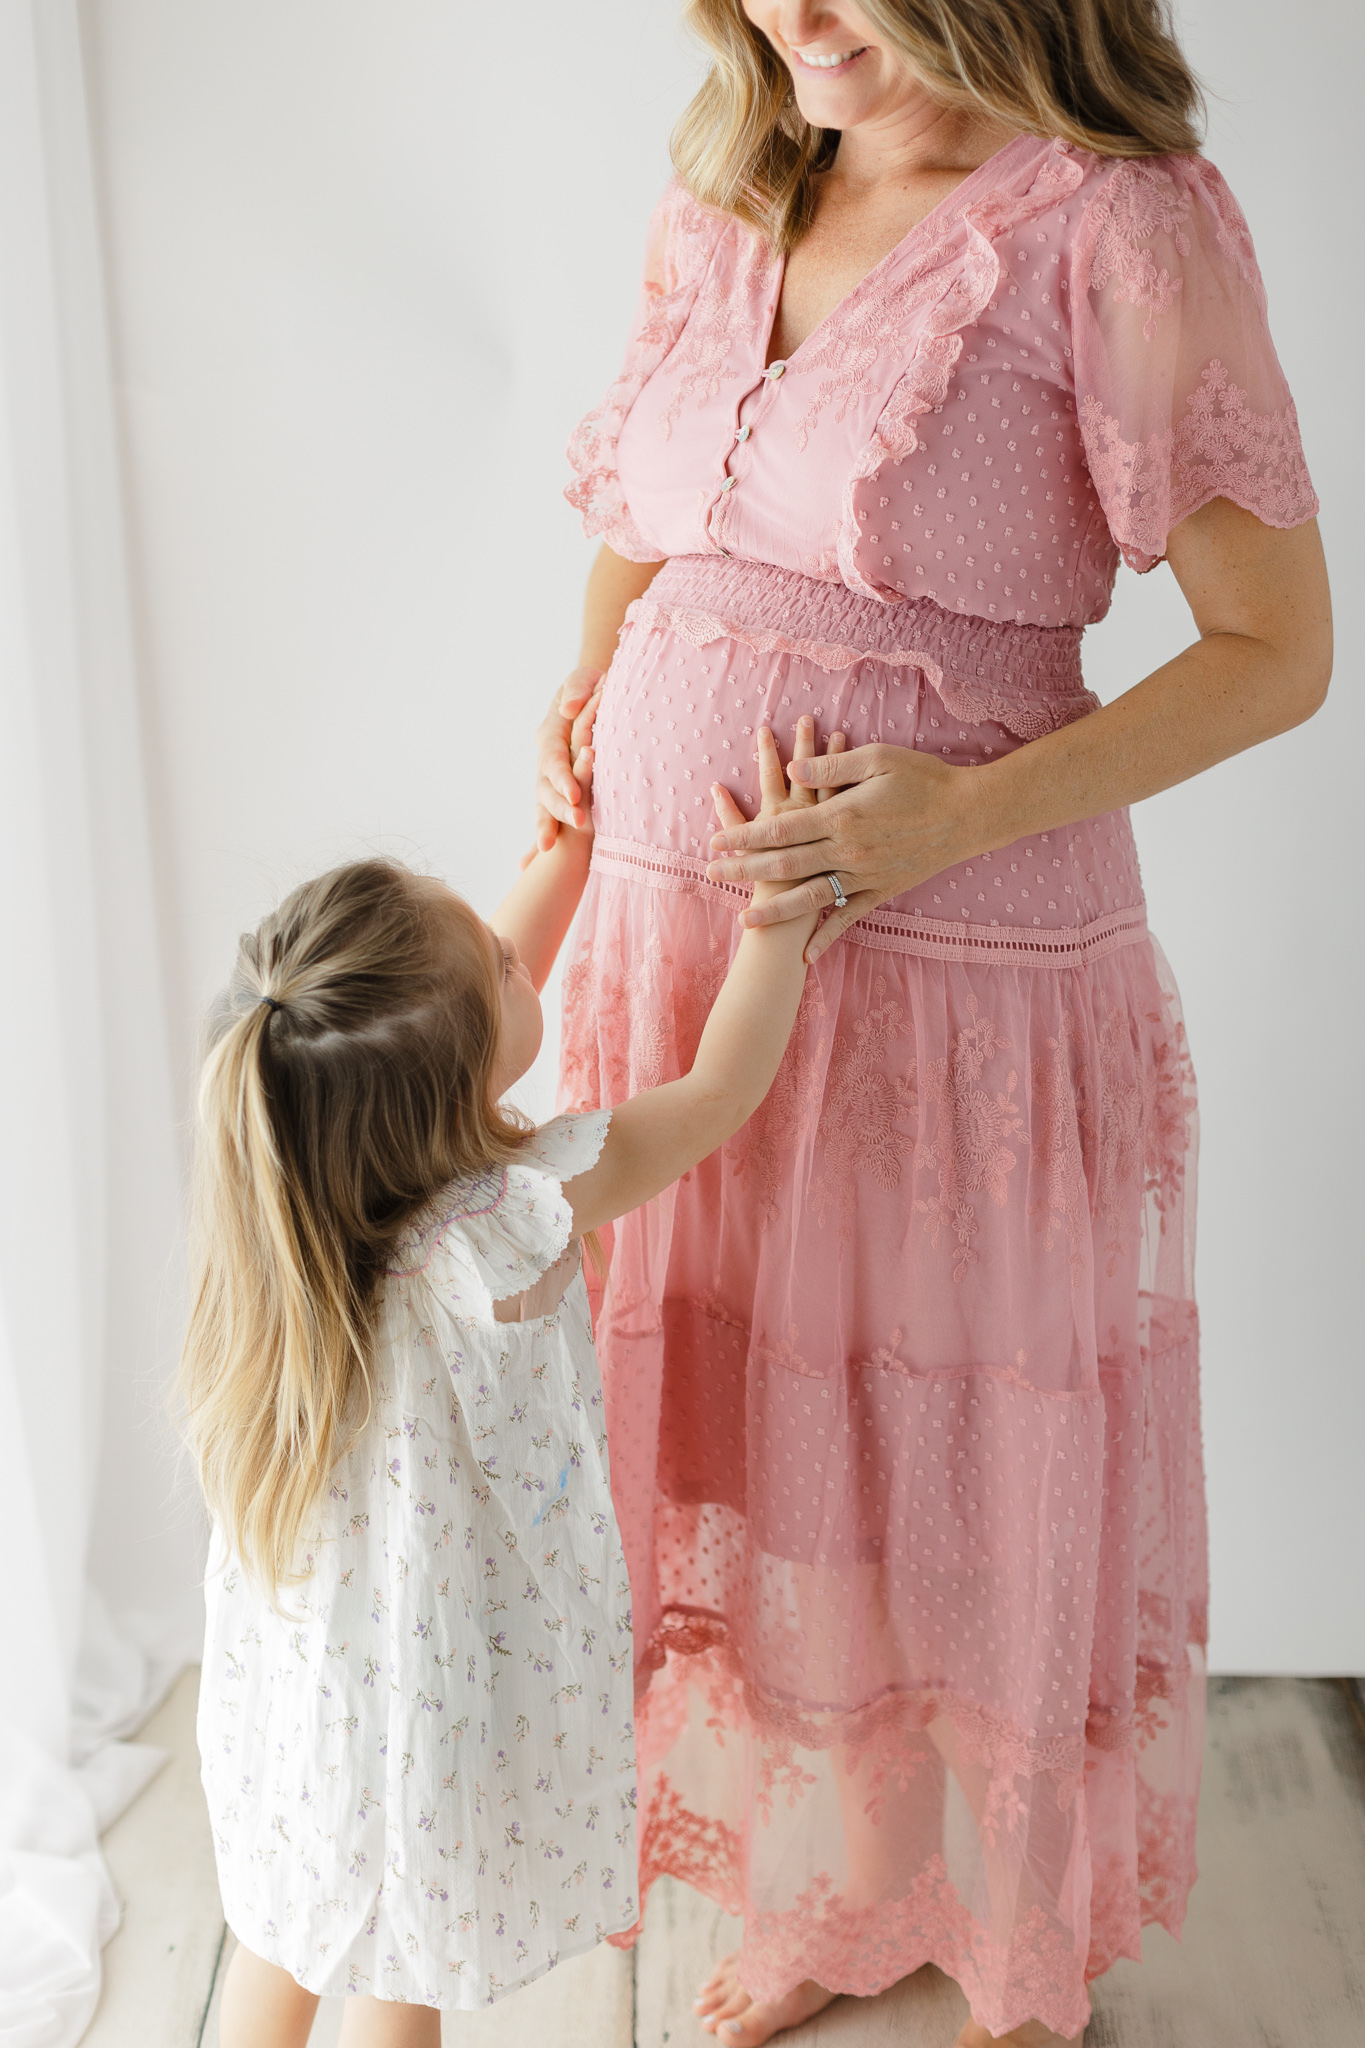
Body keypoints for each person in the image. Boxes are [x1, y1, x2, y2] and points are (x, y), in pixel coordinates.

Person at [539, 3, 1332, 2043]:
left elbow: (1273, 652)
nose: (791, 22)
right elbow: (646, 528)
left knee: (955, 1453)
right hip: (670, 964)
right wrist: (582, 722)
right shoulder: (729, 184)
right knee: (780, 1454)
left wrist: (959, 813)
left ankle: (1017, 1941)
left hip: (956, 985)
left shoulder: (1113, 230)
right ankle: (844, 1889)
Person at [182, 721, 839, 2046]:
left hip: (308, 1691)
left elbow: (470, 1002)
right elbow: (714, 1095)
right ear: (462, 1073)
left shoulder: (306, 1216)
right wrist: (777, 921)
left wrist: (573, 850)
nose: (509, 933)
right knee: (396, 1971)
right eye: (492, 947)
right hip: (434, 1690)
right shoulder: (514, 1212)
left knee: (287, 1932)